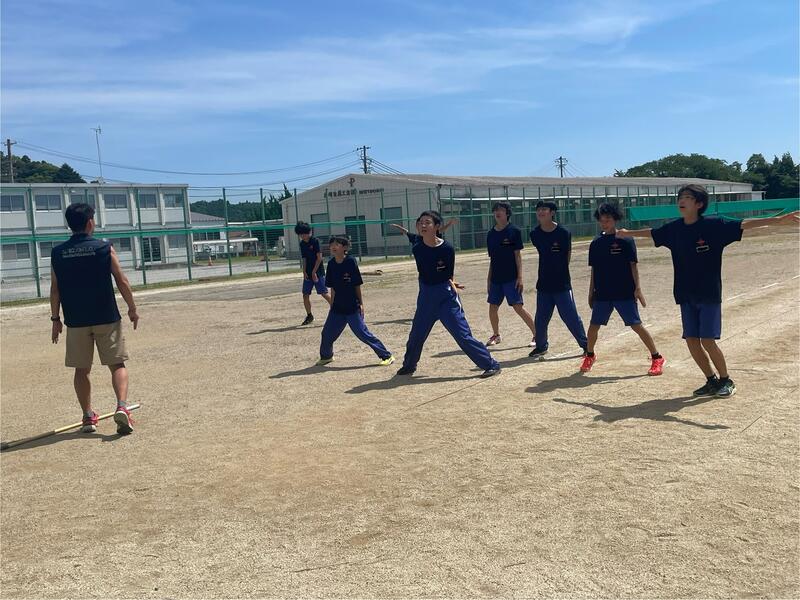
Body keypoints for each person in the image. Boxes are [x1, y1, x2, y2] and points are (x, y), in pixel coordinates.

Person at [617, 184, 799, 397]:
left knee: (707, 340)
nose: (681, 200)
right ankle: (711, 380)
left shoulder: (714, 226)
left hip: (708, 293)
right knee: (691, 340)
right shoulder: (674, 229)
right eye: (680, 197)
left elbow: (745, 224)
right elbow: (652, 233)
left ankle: (726, 380)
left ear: (699, 203)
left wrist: (778, 220)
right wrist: (627, 233)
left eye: (687, 197)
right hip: (685, 293)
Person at [49, 203, 139, 435]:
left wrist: (55, 319)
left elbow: (55, 290)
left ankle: (88, 416)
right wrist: (132, 308)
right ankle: (122, 407)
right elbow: (121, 280)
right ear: (90, 222)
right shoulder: (104, 248)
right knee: (117, 364)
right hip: (106, 316)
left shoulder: (58, 253)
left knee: (81, 369)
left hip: (76, 319)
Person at [397, 211, 501, 378]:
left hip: (446, 297)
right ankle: (409, 365)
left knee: (462, 335)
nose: (423, 225)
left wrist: (451, 283)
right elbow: (425, 273)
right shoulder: (417, 248)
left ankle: (491, 364)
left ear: (437, 227)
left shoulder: (447, 248)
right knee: (416, 335)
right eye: (420, 222)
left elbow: (448, 272)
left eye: (427, 222)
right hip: (426, 296)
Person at [583, 203, 665, 375]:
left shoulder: (626, 239)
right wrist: (591, 292)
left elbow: (633, 265)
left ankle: (657, 357)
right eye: (601, 220)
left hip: (624, 291)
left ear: (615, 219)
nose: (604, 223)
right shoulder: (596, 243)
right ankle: (590, 355)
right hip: (603, 292)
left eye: (608, 219)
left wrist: (638, 289)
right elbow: (594, 270)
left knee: (636, 325)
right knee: (593, 326)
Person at [317, 235, 395, 366]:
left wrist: (361, 304)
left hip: (352, 306)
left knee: (362, 333)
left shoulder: (350, 262)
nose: (333, 247)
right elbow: (332, 287)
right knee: (327, 333)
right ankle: (326, 356)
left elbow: (356, 285)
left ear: (345, 248)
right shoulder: (331, 264)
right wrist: (332, 304)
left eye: (337, 244)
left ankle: (387, 356)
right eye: (331, 245)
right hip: (337, 307)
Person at [528, 200, 588, 359]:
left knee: (571, 317)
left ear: (552, 212)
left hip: (561, 284)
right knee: (541, 319)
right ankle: (541, 346)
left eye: (544, 209)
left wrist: (561, 272)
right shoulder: (535, 234)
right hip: (544, 283)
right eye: (538, 209)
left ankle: (586, 345)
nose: (541, 212)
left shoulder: (563, 233)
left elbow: (567, 254)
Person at [484, 201, 536, 347]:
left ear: (507, 213)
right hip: (496, 278)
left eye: (500, 210)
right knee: (492, 307)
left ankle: (537, 334)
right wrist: (489, 279)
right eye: (495, 210)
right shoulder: (491, 234)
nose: (497, 212)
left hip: (511, 277)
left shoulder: (514, 231)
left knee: (518, 307)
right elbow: (492, 259)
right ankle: (496, 335)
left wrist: (520, 277)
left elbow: (517, 255)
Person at [295, 221, 332, 326]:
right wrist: (304, 271)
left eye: (304, 233)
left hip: (318, 272)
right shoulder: (302, 244)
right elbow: (304, 259)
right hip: (308, 273)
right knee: (305, 294)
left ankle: (337, 310)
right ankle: (309, 315)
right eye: (300, 234)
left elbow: (319, 258)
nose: (302, 236)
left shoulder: (315, 241)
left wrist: (314, 272)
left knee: (324, 293)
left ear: (309, 232)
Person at [390, 216, 456, 246]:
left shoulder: (431, 235)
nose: (421, 226)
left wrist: (449, 224)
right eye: (419, 224)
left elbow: (441, 230)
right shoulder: (414, 237)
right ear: (416, 226)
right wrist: (396, 226)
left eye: (422, 224)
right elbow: (405, 231)